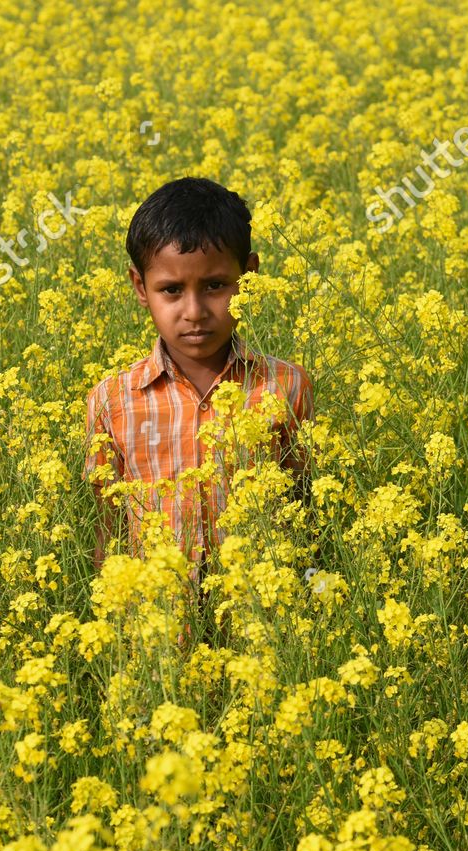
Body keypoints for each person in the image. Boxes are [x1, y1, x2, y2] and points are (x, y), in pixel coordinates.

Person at [82, 177, 313, 643]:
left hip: (267, 634)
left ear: (248, 276)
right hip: (158, 642)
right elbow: (106, 532)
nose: (194, 311)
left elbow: (308, 513)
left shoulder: (286, 387)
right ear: (139, 286)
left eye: (215, 285)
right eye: (170, 290)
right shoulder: (113, 399)